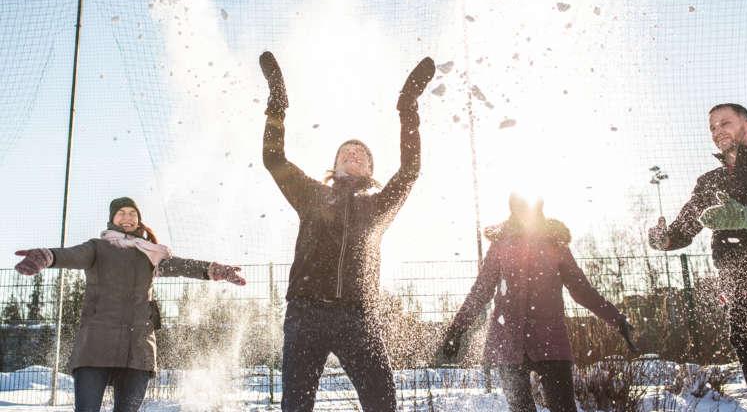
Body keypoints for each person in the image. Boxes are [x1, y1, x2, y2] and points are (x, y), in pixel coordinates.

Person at [259, 51, 435, 412]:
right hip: (306, 312)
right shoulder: (311, 195)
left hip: (359, 314)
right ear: (334, 165)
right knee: (295, 405)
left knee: (383, 402)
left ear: (370, 167)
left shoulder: (379, 204)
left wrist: (407, 106)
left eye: (361, 152)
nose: (353, 152)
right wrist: (277, 101)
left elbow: (410, 169)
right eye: (346, 151)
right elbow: (273, 158)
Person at [14, 197, 246, 412]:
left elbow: (183, 266)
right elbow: (71, 255)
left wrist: (216, 269)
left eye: (132, 213)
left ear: (139, 218)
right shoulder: (97, 248)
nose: (127, 217)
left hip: (138, 349)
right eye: (121, 213)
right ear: (112, 219)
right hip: (96, 346)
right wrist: (46, 256)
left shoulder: (150, 254)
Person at [441, 193, 637, 412]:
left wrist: (617, 319)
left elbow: (582, 290)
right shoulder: (501, 246)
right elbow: (481, 290)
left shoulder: (555, 244)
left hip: (550, 342)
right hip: (510, 345)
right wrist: (457, 328)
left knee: (564, 408)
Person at [648, 103, 747, 412]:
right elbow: (684, 229)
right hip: (742, 299)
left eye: (725, 123)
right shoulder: (709, 183)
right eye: (712, 128)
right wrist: (664, 239)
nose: (717, 131)